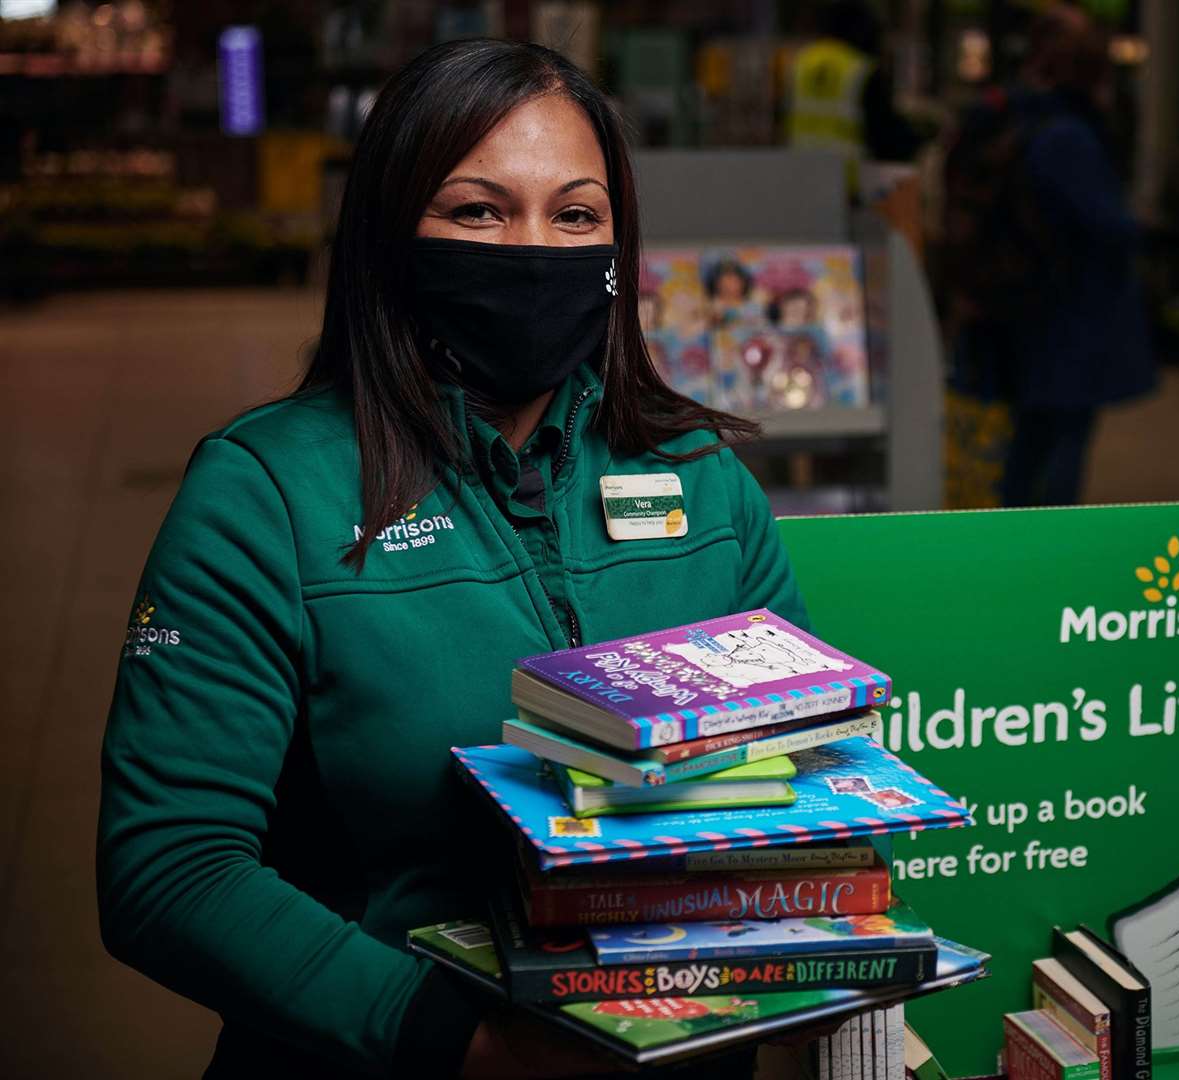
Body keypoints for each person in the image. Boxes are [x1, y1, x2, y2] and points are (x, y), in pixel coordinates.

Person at [97, 39, 806, 1080]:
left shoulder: (705, 480)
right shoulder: (264, 493)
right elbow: (169, 870)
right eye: (477, 211)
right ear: (393, 236)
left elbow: (808, 781)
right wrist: (459, 1043)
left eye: (575, 216)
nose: (533, 248)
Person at [943, 7, 1156, 507]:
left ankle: (1016, 538)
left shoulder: (1012, 117)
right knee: (1062, 441)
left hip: (1025, 308)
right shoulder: (1068, 135)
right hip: (1068, 315)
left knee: (1033, 436)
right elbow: (1102, 223)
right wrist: (1149, 230)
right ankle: (1051, 556)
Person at [784, 0, 922, 165]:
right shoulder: (860, 70)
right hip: (848, 181)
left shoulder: (801, 63)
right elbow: (886, 136)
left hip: (802, 175)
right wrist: (918, 139)